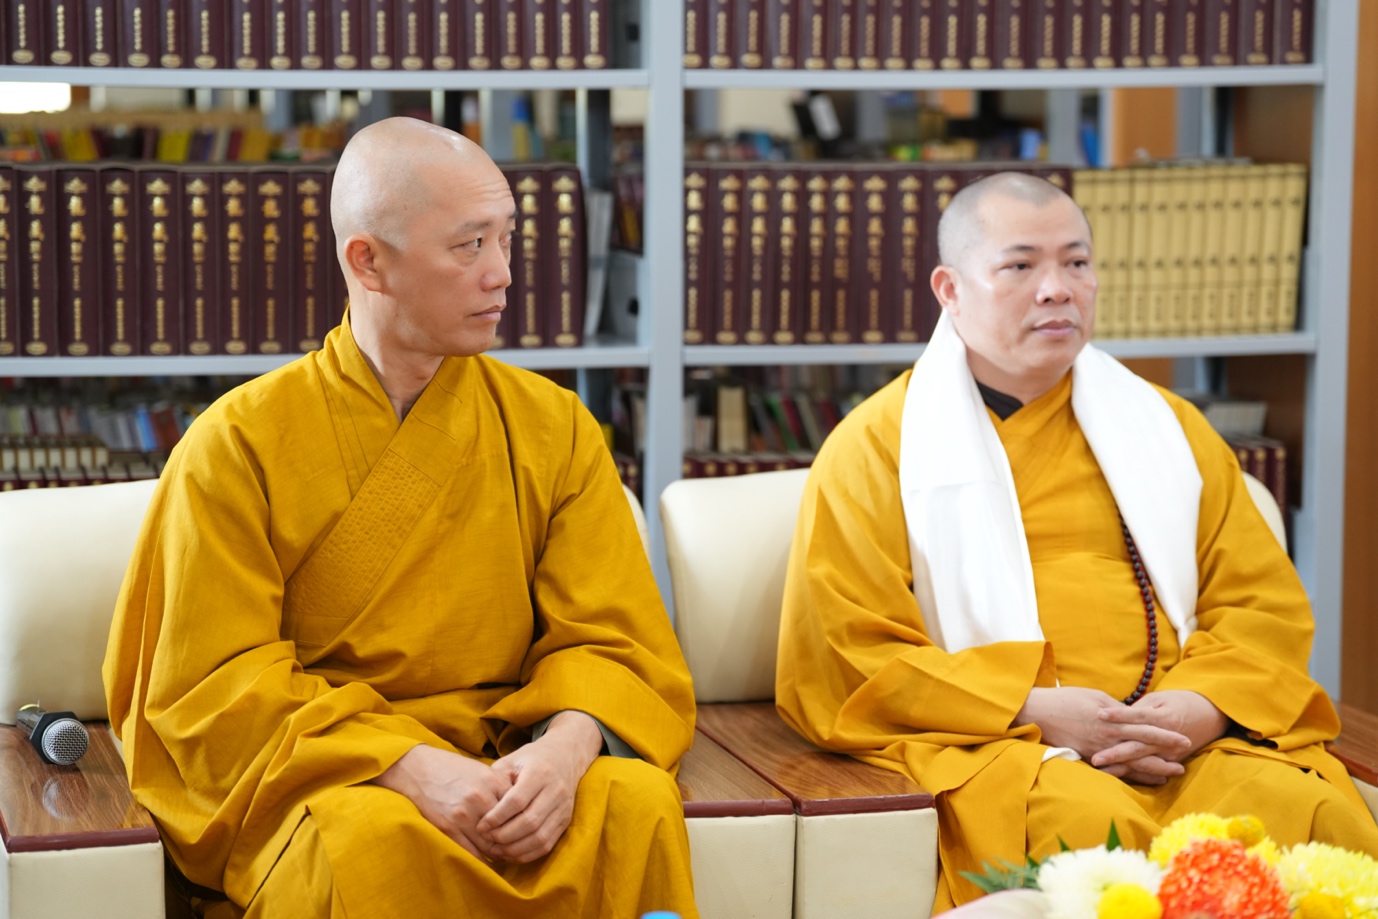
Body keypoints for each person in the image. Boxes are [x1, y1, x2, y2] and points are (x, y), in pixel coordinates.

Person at [103, 117, 700, 918]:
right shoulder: (236, 445)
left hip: (510, 755)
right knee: (365, 842)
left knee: (633, 805)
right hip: (335, 768)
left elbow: (613, 641)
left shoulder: (554, 428)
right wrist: (407, 765)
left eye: (506, 239)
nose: (502, 274)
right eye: (470, 245)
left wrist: (564, 751)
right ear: (368, 260)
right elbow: (211, 686)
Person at [774, 172, 1378, 912]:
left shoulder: (1170, 430)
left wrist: (1202, 705)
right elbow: (849, 651)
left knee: (1311, 813)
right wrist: (1031, 707)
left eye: (1077, 262)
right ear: (950, 289)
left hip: (1184, 739)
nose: (1057, 289)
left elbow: (1262, 607)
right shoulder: (876, 446)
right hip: (1012, 743)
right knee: (1090, 837)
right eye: (1020, 265)